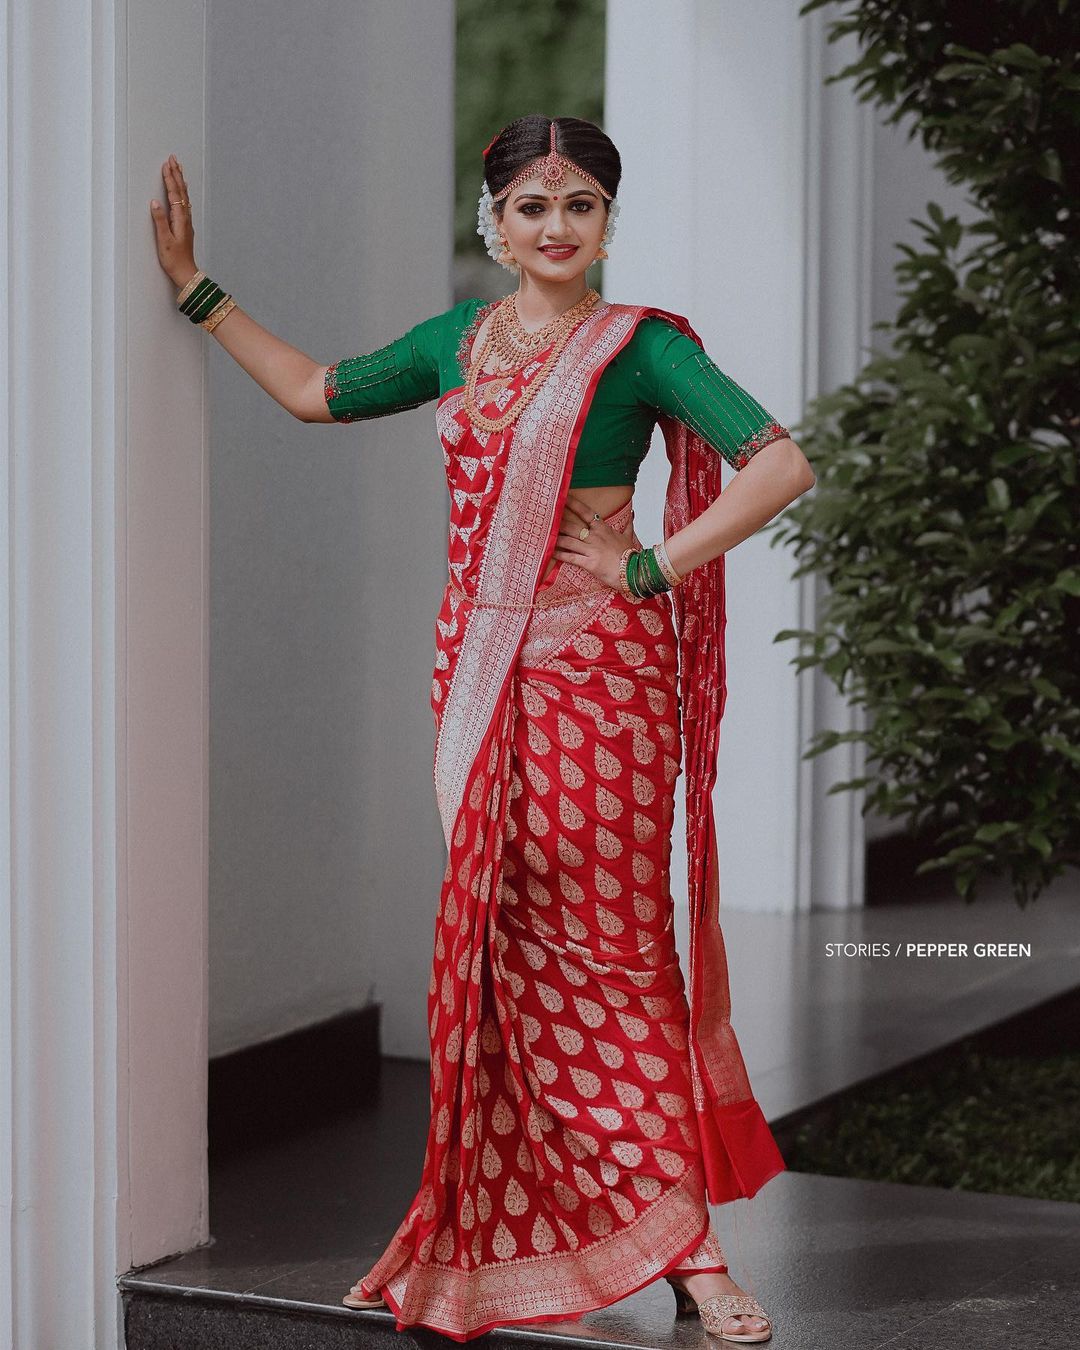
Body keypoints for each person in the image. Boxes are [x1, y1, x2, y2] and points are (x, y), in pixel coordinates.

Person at [151, 114, 815, 1345]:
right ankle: (499, 1229)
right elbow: (313, 393)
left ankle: (689, 1250)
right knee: (503, 960)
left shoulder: (642, 350)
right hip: (477, 681)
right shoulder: (456, 343)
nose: (556, 229)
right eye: (532, 208)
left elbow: (779, 464)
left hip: (601, 679)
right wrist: (199, 293)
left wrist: (654, 566)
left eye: (580, 207)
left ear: (609, 222)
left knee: (615, 955)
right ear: (493, 223)